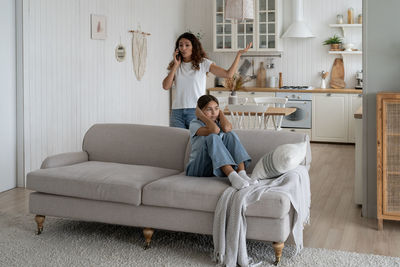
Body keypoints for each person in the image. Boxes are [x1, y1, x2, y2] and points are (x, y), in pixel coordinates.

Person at [162, 32, 252, 129]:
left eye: (187, 45)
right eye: (181, 45)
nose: (183, 48)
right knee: (177, 142)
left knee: (195, 142)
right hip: (177, 112)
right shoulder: (176, 65)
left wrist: (238, 55)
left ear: (194, 47)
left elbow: (228, 74)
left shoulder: (203, 63)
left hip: (196, 111)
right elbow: (166, 86)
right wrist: (175, 66)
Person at [186, 95, 257, 189]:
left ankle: (242, 174)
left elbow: (227, 128)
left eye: (216, 109)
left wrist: (221, 113)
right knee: (212, 137)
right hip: (197, 169)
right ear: (201, 112)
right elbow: (214, 130)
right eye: (209, 109)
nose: (213, 113)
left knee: (230, 134)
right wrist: (201, 117)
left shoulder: (219, 123)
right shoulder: (195, 124)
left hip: (212, 167)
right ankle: (233, 176)